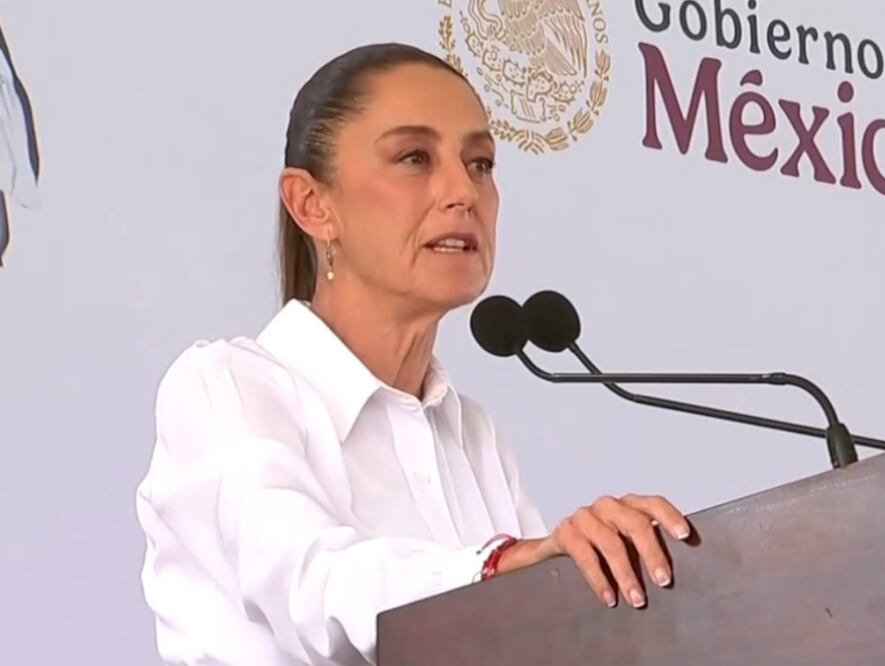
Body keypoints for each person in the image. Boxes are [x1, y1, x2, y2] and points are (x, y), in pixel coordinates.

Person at [135, 42, 691, 666]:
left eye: (480, 163)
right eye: (414, 158)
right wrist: (506, 566)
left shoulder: (471, 433)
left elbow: (538, 640)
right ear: (311, 204)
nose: (462, 191)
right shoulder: (225, 388)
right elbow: (316, 589)